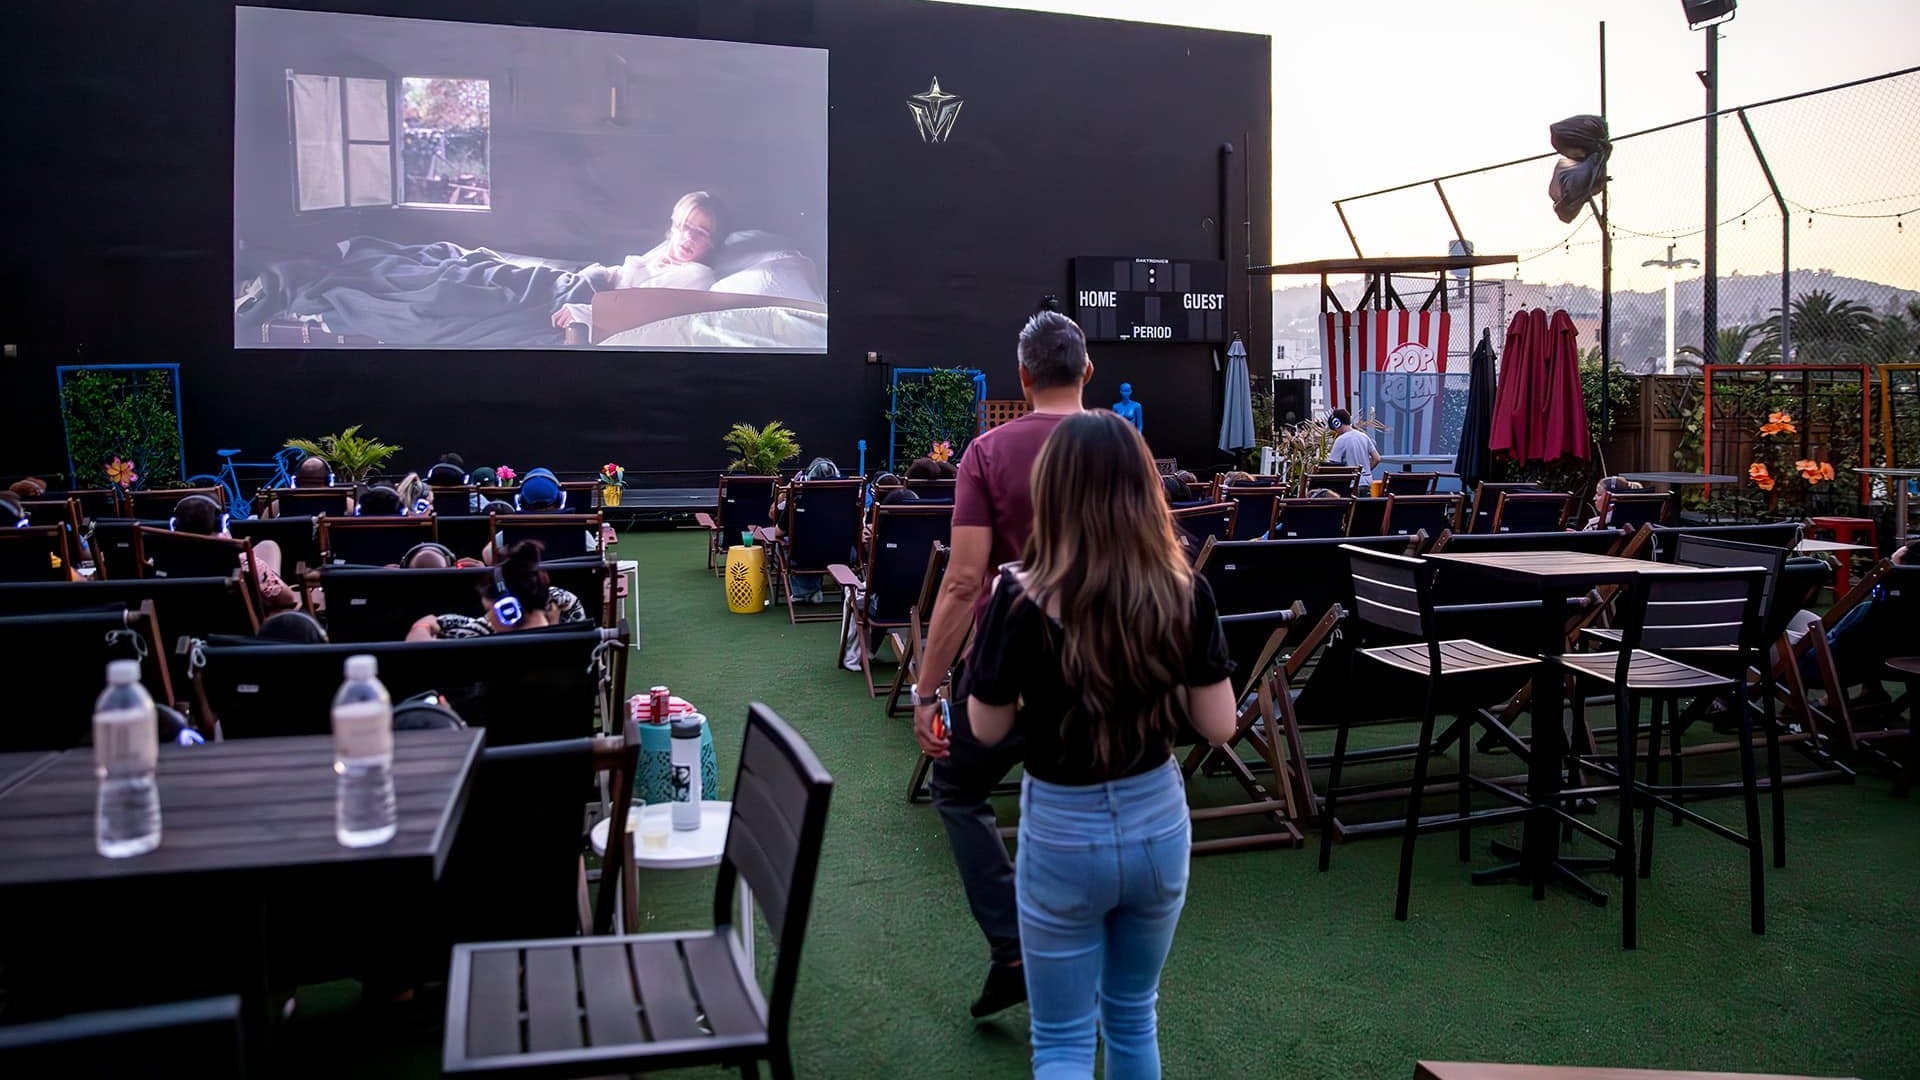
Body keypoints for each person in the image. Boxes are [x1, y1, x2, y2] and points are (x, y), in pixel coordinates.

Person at [966, 410, 1234, 1078]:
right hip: (1156, 824)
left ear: (1053, 490)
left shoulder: (1019, 598)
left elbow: (986, 728)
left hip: (1060, 828)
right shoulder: (1184, 592)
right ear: (1146, 490)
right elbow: (1220, 724)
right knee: (1133, 1014)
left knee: (1060, 1040)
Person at [913, 309, 1093, 1019]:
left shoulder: (987, 452)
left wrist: (927, 690)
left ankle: (1013, 949)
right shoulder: (1122, 446)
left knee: (956, 788)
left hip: (1012, 674)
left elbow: (962, 583)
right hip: (1108, 675)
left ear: (1023, 376)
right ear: (1087, 372)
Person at [552, 191, 729, 330]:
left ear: (713, 243)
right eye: (686, 226)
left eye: (701, 232)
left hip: (594, 302)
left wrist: (588, 312)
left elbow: (647, 310)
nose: (689, 236)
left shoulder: (696, 275)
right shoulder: (664, 252)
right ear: (675, 226)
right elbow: (621, 272)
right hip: (583, 283)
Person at [406, 540, 588, 640]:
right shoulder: (566, 607)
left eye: (489, 608)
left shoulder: (476, 635)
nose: (487, 614)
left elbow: (418, 646)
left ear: (507, 609)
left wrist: (422, 626)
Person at [171, 493, 300, 613]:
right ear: (222, 523)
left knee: (267, 547)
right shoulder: (242, 561)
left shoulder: (160, 560)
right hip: (240, 632)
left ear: (174, 526)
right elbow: (288, 599)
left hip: (177, 631)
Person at [1326, 408, 1381, 487]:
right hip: (1367, 481)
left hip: (1351, 484)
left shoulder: (1340, 440)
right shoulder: (1364, 436)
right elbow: (1377, 458)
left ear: (1336, 423)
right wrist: (1366, 471)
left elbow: (1333, 465)